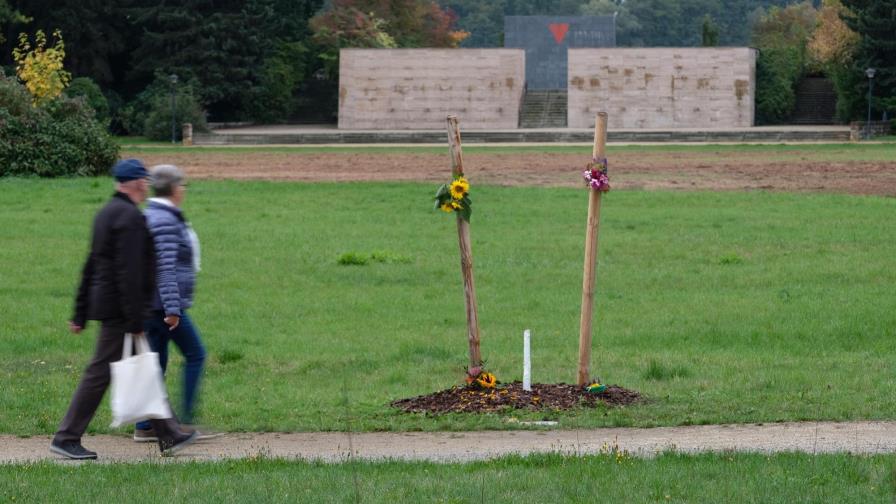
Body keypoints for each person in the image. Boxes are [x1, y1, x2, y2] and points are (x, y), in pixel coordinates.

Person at [50, 159, 198, 460]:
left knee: (144, 367)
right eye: (143, 180)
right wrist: (135, 319)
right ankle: (66, 437)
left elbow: (90, 264)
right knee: (100, 372)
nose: (147, 185)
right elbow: (129, 274)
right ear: (134, 182)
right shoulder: (130, 218)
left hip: (112, 307)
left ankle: (168, 433)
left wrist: (79, 311)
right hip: (121, 311)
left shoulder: (106, 213)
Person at [133, 164, 216, 442]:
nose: (184, 190)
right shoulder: (165, 219)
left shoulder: (158, 214)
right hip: (163, 306)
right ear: (174, 188)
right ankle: (183, 424)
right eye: (183, 185)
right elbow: (164, 268)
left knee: (156, 363)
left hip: (155, 305)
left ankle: (147, 425)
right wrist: (172, 308)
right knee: (195, 354)